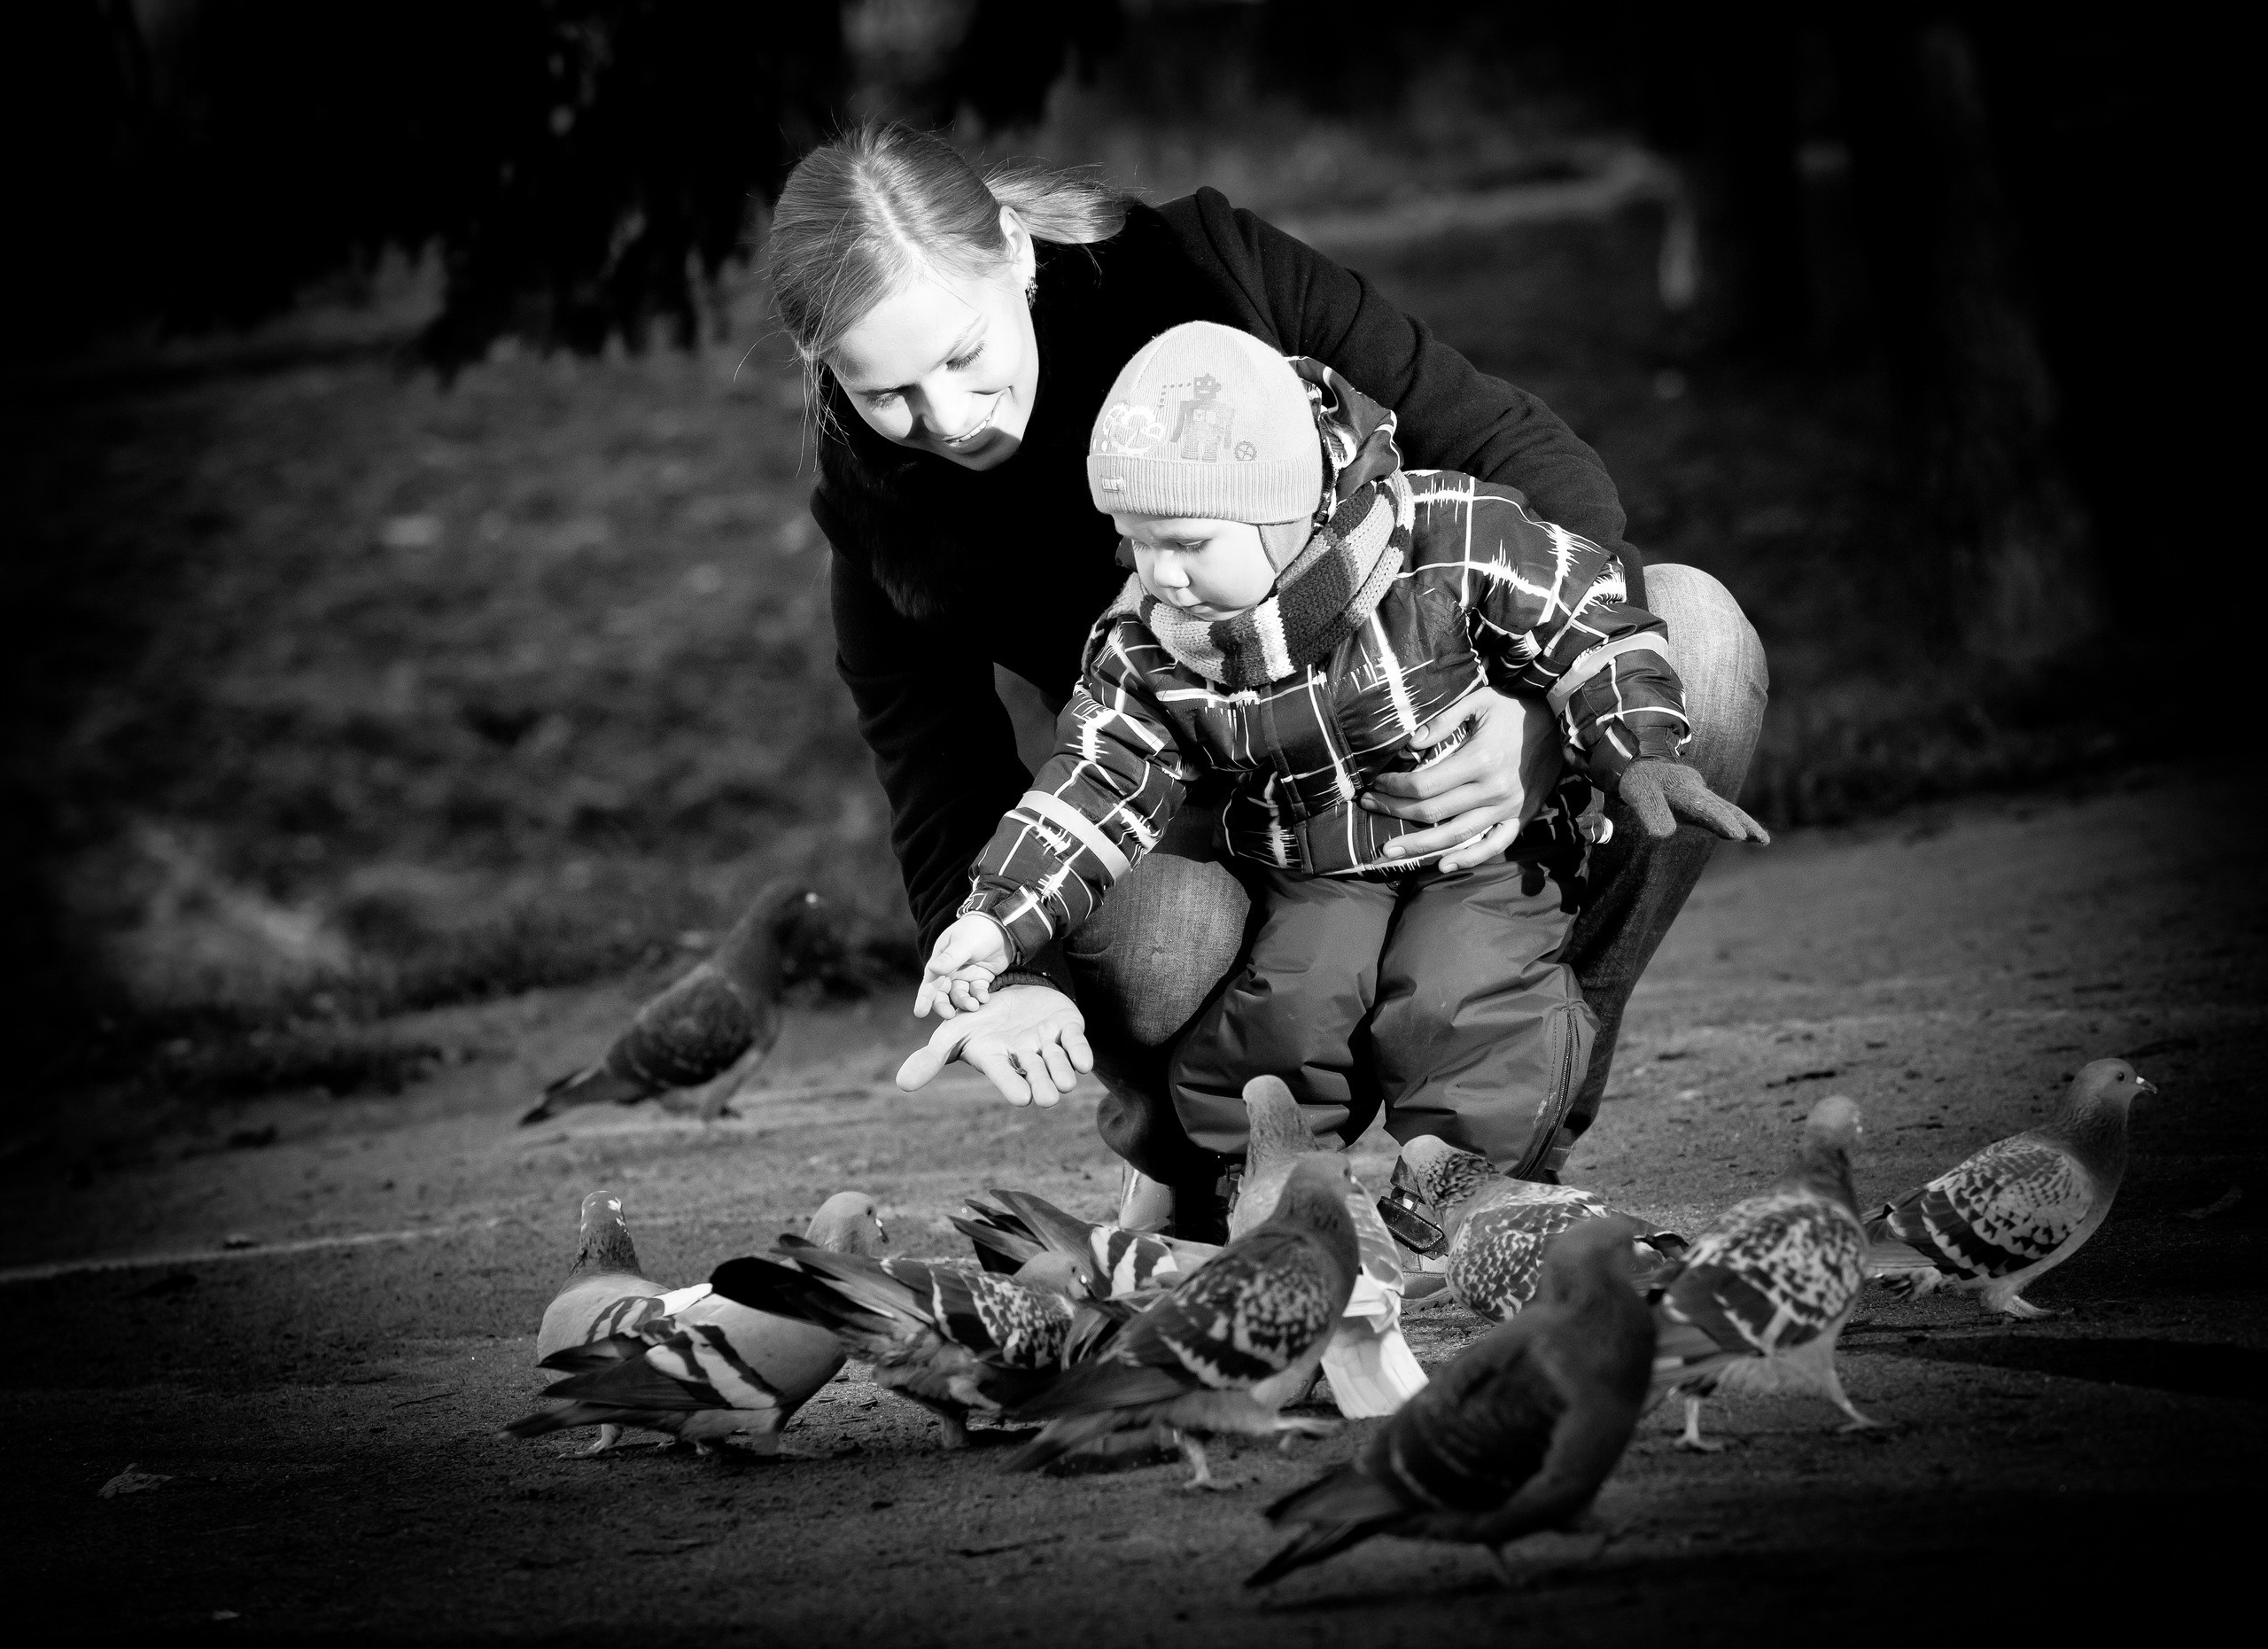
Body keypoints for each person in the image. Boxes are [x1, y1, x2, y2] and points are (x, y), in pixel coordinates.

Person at [766, 123, 1770, 1233]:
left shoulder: (1204, 270)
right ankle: (1206, 1166)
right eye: (888, 394)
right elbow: (938, 779)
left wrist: (1537, 717)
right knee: (1159, 945)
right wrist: (999, 971)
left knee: (1698, 641)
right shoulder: (877, 507)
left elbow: (1522, 455)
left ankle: (1495, 1148)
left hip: (1434, 712)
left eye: (964, 356)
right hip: (1209, 798)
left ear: (1013, 250)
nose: (951, 421)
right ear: (826, 367)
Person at [913, 323, 1765, 1222]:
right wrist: (997, 922)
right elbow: (1092, 783)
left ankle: (1459, 1187)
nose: (1162, 574)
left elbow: (1584, 619)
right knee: (1289, 1004)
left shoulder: (1445, 537)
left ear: (1285, 508)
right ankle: (1255, 1179)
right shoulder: (1150, 643)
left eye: (1189, 541)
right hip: (1316, 863)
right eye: (1135, 542)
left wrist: (1643, 749)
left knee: (1463, 993)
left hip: (1480, 851)